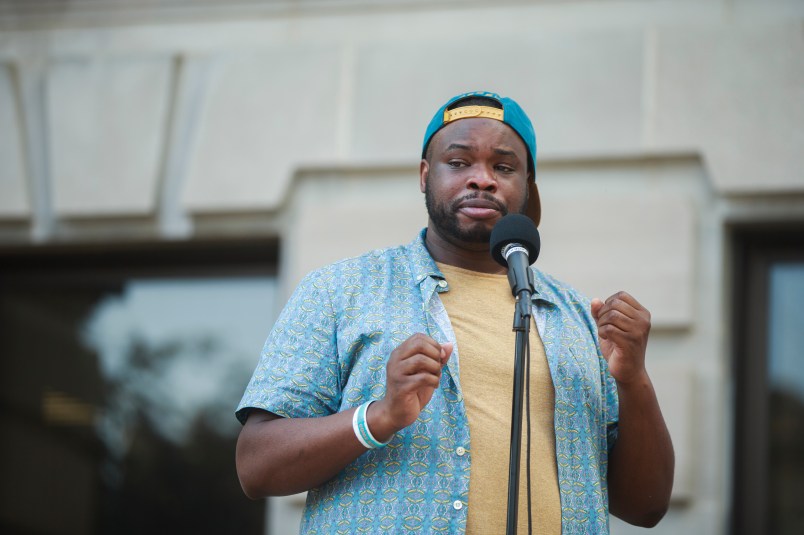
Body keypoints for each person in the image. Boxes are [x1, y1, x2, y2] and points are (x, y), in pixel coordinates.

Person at [235, 91, 674, 534]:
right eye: (459, 162)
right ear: (426, 175)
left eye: (504, 167)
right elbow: (256, 466)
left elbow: (646, 507)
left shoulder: (580, 317)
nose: (482, 179)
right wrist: (379, 416)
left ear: (528, 188)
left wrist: (633, 378)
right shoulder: (340, 291)